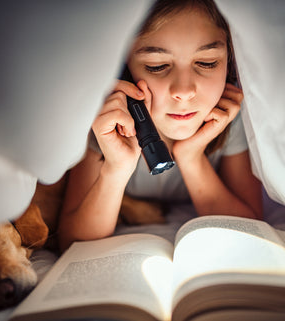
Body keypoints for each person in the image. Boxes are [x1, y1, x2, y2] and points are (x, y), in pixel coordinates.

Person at [58, 0, 262, 251]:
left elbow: (251, 226)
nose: (184, 91)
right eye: (157, 66)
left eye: (207, 62)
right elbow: (72, 241)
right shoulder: (106, 122)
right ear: (124, 71)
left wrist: (191, 157)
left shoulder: (228, 115)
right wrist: (116, 168)